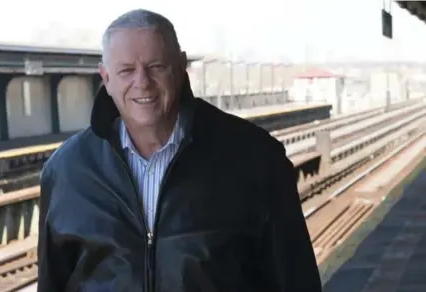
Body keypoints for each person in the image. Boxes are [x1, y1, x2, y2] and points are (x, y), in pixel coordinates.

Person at [37, 8, 322, 292]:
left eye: (156, 66)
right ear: (106, 78)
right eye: (126, 70)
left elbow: (296, 280)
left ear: (180, 65)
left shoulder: (256, 159)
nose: (142, 82)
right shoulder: (68, 171)